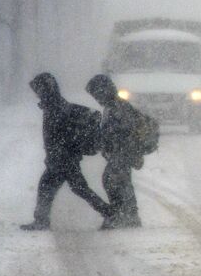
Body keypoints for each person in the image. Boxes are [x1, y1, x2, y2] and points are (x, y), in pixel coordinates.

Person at [20, 73, 112, 231]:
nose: (36, 94)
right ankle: (109, 213)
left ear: (44, 90)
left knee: (55, 187)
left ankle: (110, 213)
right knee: (77, 188)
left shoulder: (55, 107)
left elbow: (59, 136)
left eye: (37, 90)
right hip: (63, 158)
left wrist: (58, 155)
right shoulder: (55, 105)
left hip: (62, 160)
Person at [85, 74, 141, 229]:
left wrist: (112, 143)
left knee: (113, 181)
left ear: (105, 91)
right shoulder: (112, 106)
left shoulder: (118, 107)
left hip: (122, 152)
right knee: (118, 182)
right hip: (119, 152)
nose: (96, 99)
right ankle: (127, 215)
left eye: (97, 94)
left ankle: (123, 215)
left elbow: (124, 131)